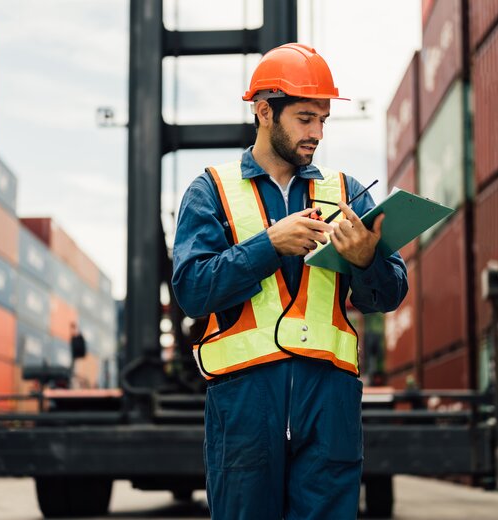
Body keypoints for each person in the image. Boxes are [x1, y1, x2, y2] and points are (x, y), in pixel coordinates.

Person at [172, 43, 408, 519]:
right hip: (244, 401)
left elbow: (390, 292)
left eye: (323, 119)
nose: (317, 132)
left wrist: (366, 262)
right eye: (305, 118)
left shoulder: (346, 193)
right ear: (264, 112)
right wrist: (268, 245)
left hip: (330, 402)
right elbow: (193, 291)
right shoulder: (211, 191)